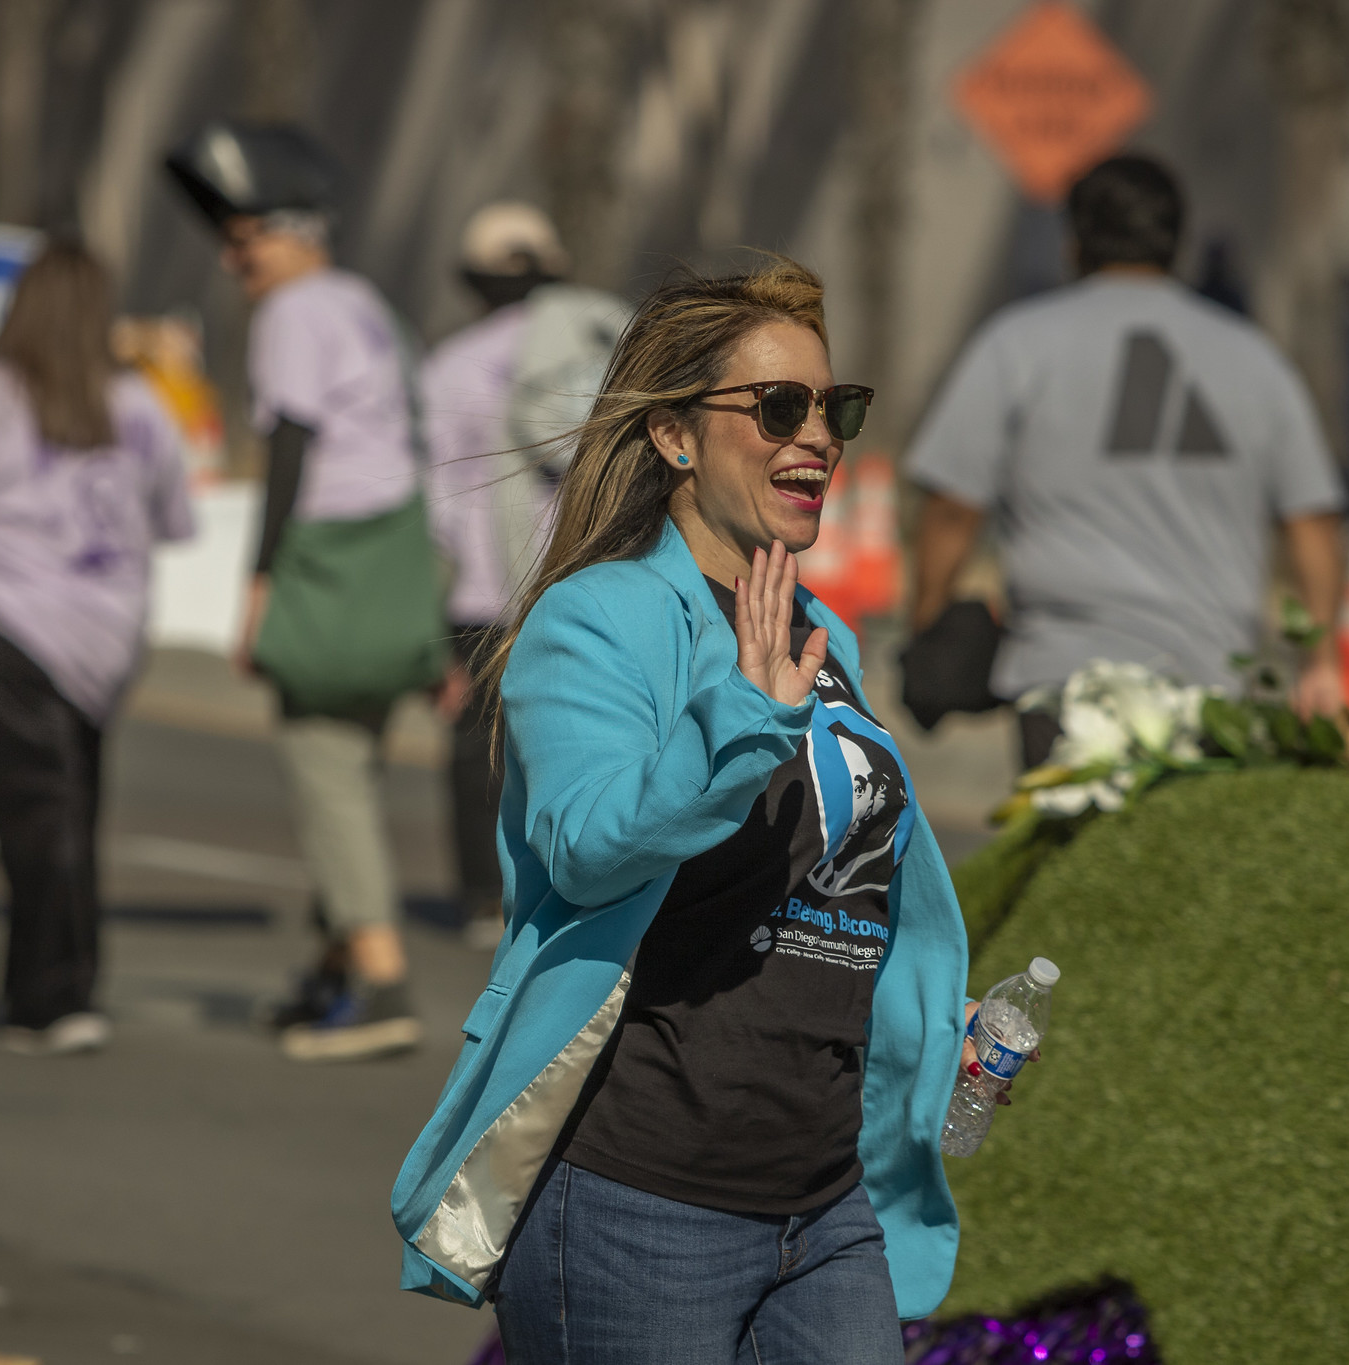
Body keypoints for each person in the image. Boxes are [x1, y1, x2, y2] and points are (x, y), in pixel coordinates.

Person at [389, 260, 976, 1364]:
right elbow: (588, 848)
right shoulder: (592, 623)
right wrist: (739, 726)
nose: (816, 437)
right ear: (672, 437)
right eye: (776, 407)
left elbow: (837, 888)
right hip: (638, 1200)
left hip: (821, 1204)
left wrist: (945, 1020)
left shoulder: (821, 634)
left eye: (832, 408)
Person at [907, 154, 1347, 770]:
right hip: (1214, 679)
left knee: (1067, 863)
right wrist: (1320, 662)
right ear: (1177, 242)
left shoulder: (1017, 344)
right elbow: (1311, 524)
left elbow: (953, 506)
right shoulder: (1256, 359)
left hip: (1062, 676)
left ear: (1073, 242)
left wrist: (928, 626)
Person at [166, 122, 430, 1062]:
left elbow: (289, 450)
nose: (234, 258)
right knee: (353, 760)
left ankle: (385, 981)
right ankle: (331, 971)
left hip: (334, 557)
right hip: (401, 553)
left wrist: (259, 583)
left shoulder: (293, 314)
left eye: (245, 239)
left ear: (295, 230)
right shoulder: (368, 304)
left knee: (324, 771)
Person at [0, 243, 195, 1056]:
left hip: (18, 615)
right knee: (76, 801)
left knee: (32, 807)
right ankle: (62, 980)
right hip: (107, 630)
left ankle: (48, 994)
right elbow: (176, 512)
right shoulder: (136, 403)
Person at [421, 202, 630, 948]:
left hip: (482, 589)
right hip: (581, 582)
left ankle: (484, 896)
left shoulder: (448, 366)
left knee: (477, 745)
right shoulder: (605, 350)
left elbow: (437, 502)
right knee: (571, 737)